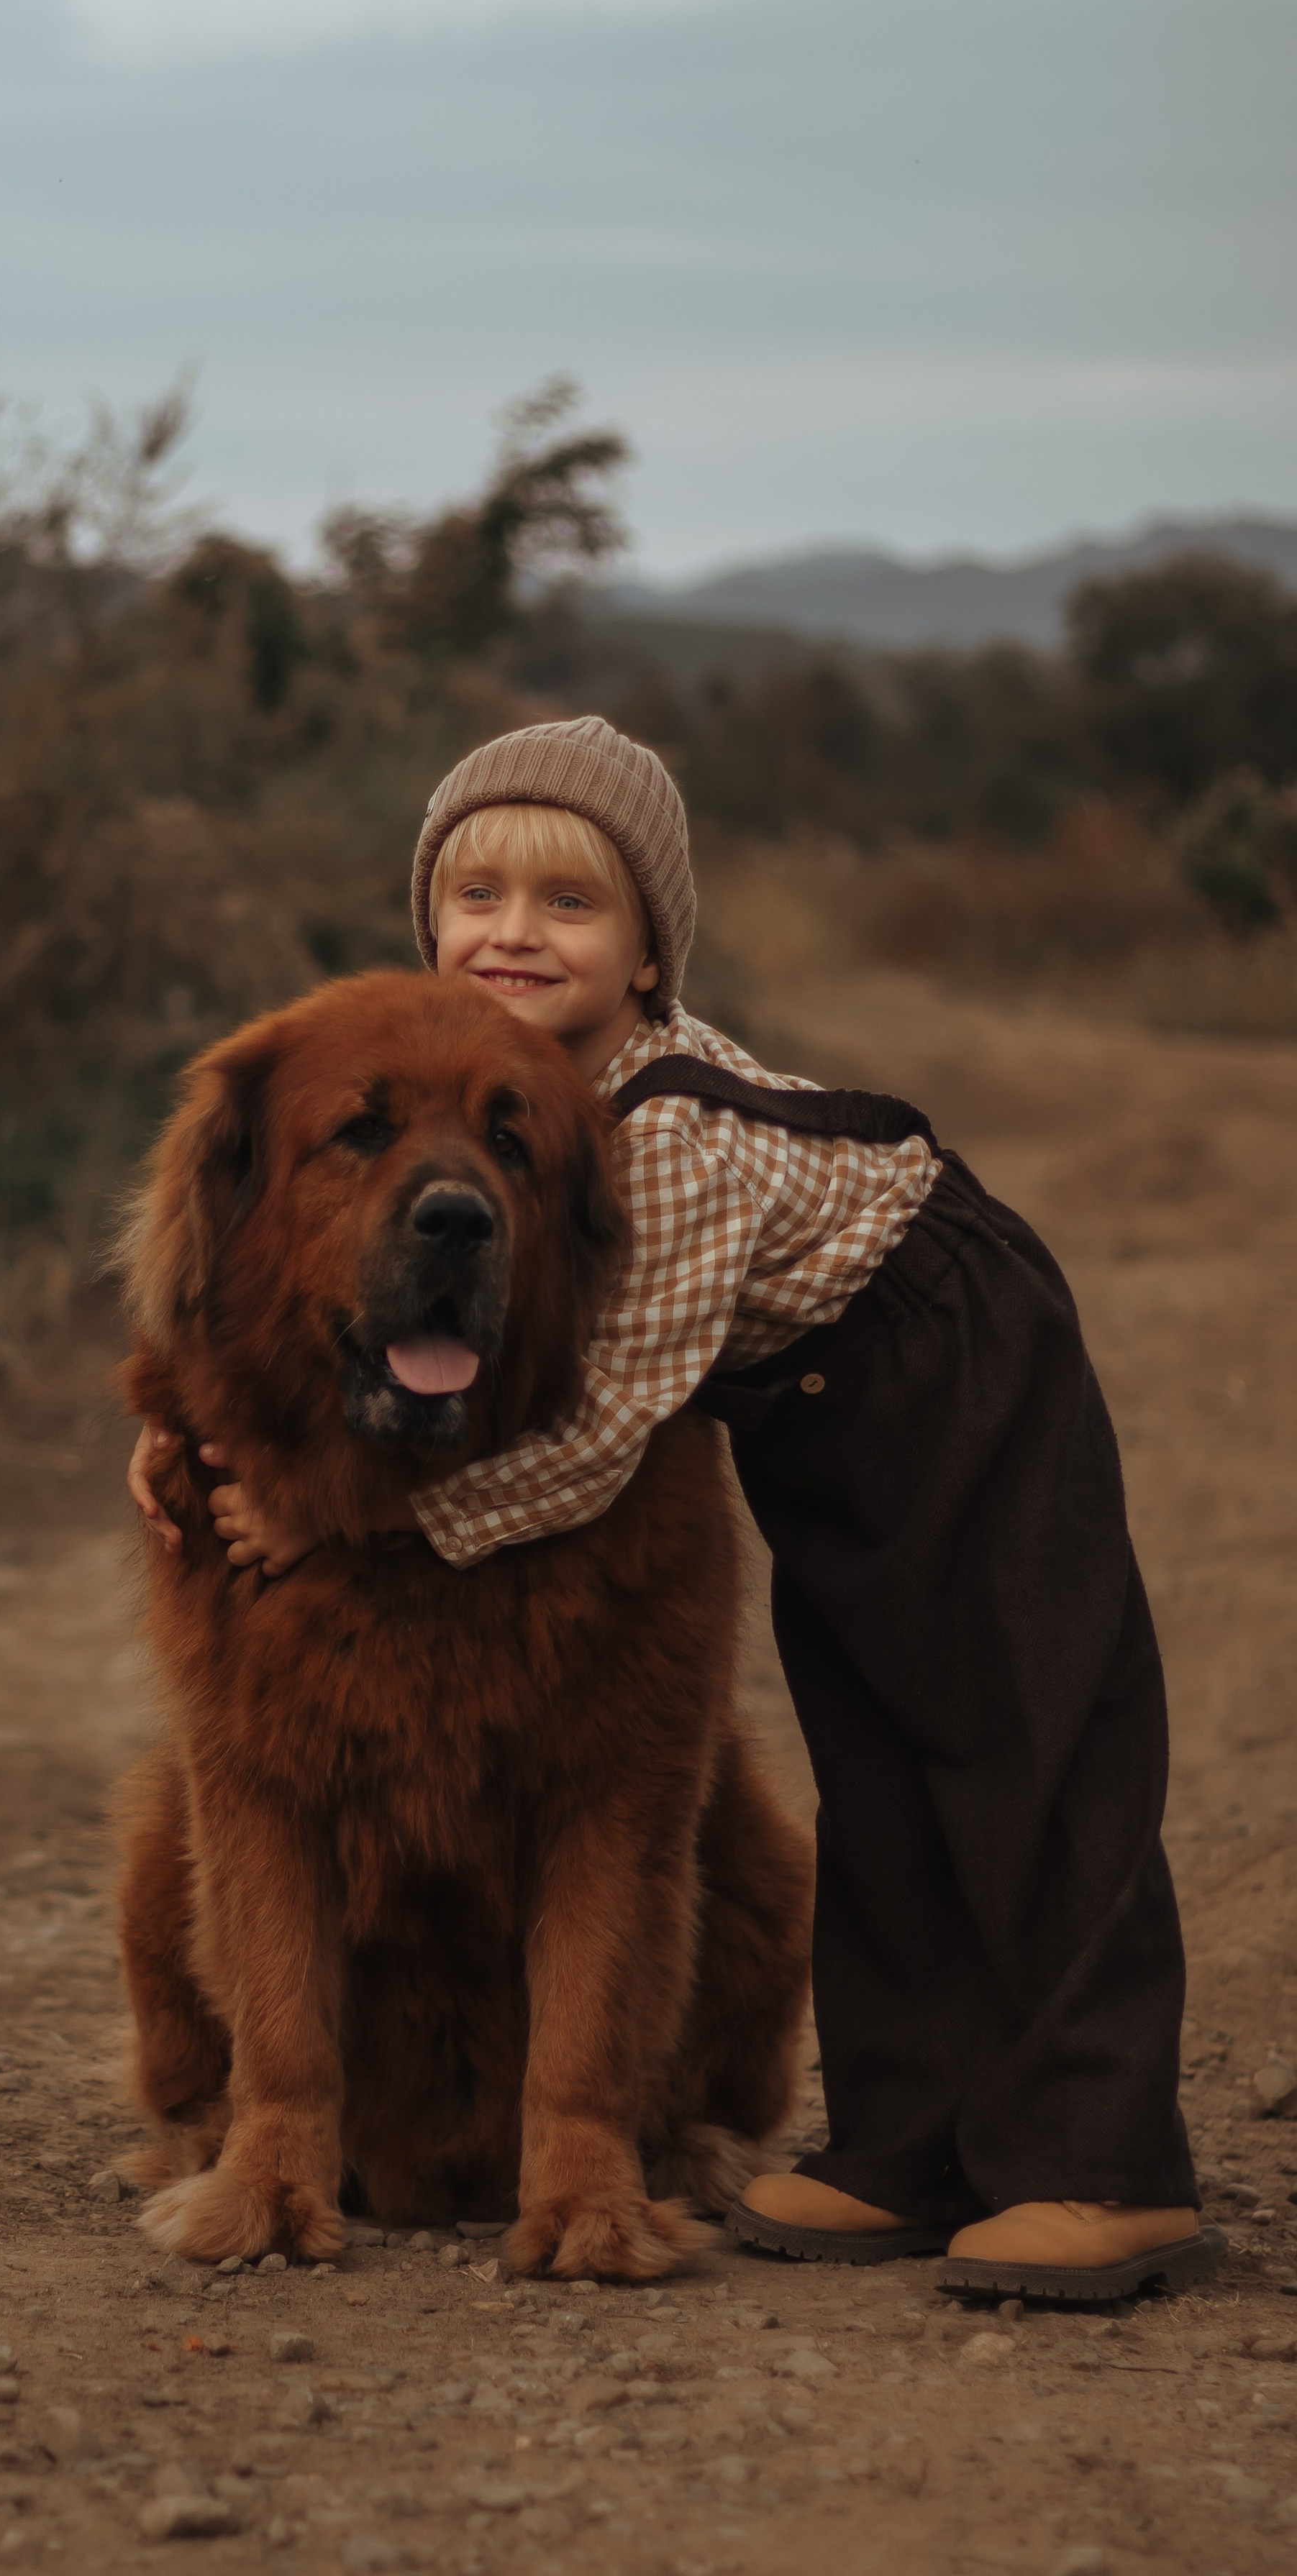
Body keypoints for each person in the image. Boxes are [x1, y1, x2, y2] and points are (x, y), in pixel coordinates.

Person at [129, 714, 1219, 2303]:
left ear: (651, 957)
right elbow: (204, 1302)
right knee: (880, 1773)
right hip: (816, 1437)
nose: (514, 933)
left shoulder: (667, 1135)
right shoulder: (501, 1087)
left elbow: (588, 1430)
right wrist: (177, 1435)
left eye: (570, 904)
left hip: (956, 1371)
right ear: (426, 922)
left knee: (1023, 1743)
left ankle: (1096, 2165)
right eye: (478, 894)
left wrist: (329, 1526)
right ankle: (909, 2144)